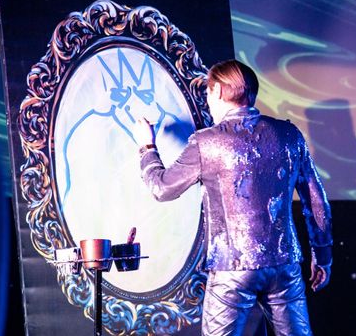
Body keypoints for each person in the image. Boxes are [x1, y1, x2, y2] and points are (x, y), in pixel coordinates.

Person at [134, 59, 332, 335]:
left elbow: (162, 188)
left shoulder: (207, 141)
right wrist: (322, 256)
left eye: (207, 94)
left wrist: (147, 147)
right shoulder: (290, 135)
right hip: (284, 264)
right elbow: (316, 201)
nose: (208, 102)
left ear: (216, 91)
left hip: (233, 266)